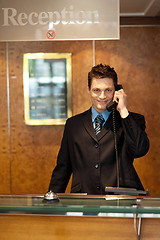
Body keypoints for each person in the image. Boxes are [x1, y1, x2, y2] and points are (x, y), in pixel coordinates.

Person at [49, 64, 149, 195]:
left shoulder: (131, 120)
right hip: (85, 200)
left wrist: (123, 110)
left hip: (122, 200)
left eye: (108, 90)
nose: (102, 96)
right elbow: (63, 168)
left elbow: (139, 150)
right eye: (96, 90)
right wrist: (51, 199)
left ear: (117, 90)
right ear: (89, 89)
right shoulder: (73, 124)